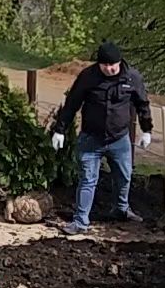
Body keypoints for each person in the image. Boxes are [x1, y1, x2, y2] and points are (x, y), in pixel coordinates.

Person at [50, 40, 154, 236]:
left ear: (119, 61)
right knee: (88, 179)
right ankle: (80, 221)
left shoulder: (132, 78)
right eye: (104, 65)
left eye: (112, 64)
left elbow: (142, 104)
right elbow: (72, 103)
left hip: (120, 139)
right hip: (91, 139)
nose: (108, 68)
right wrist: (60, 130)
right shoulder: (88, 77)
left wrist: (147, 129)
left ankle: (121, 210)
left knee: (124, 176)